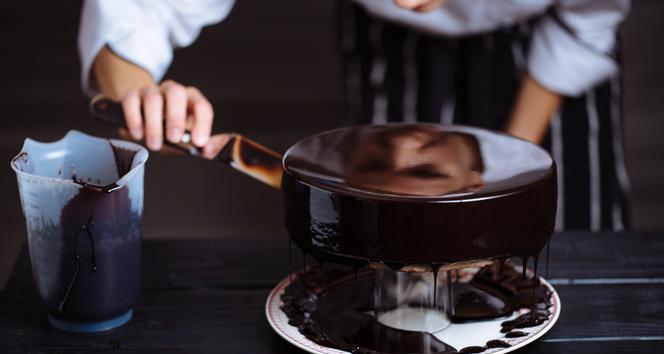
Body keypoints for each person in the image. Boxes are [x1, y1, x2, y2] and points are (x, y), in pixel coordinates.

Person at [78, 0, 631, 231]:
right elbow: (139, 11)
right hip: (388, 49)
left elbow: (586, 18)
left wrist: (508, 182)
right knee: (380, 230)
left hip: (548, 32)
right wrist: (142, 98)